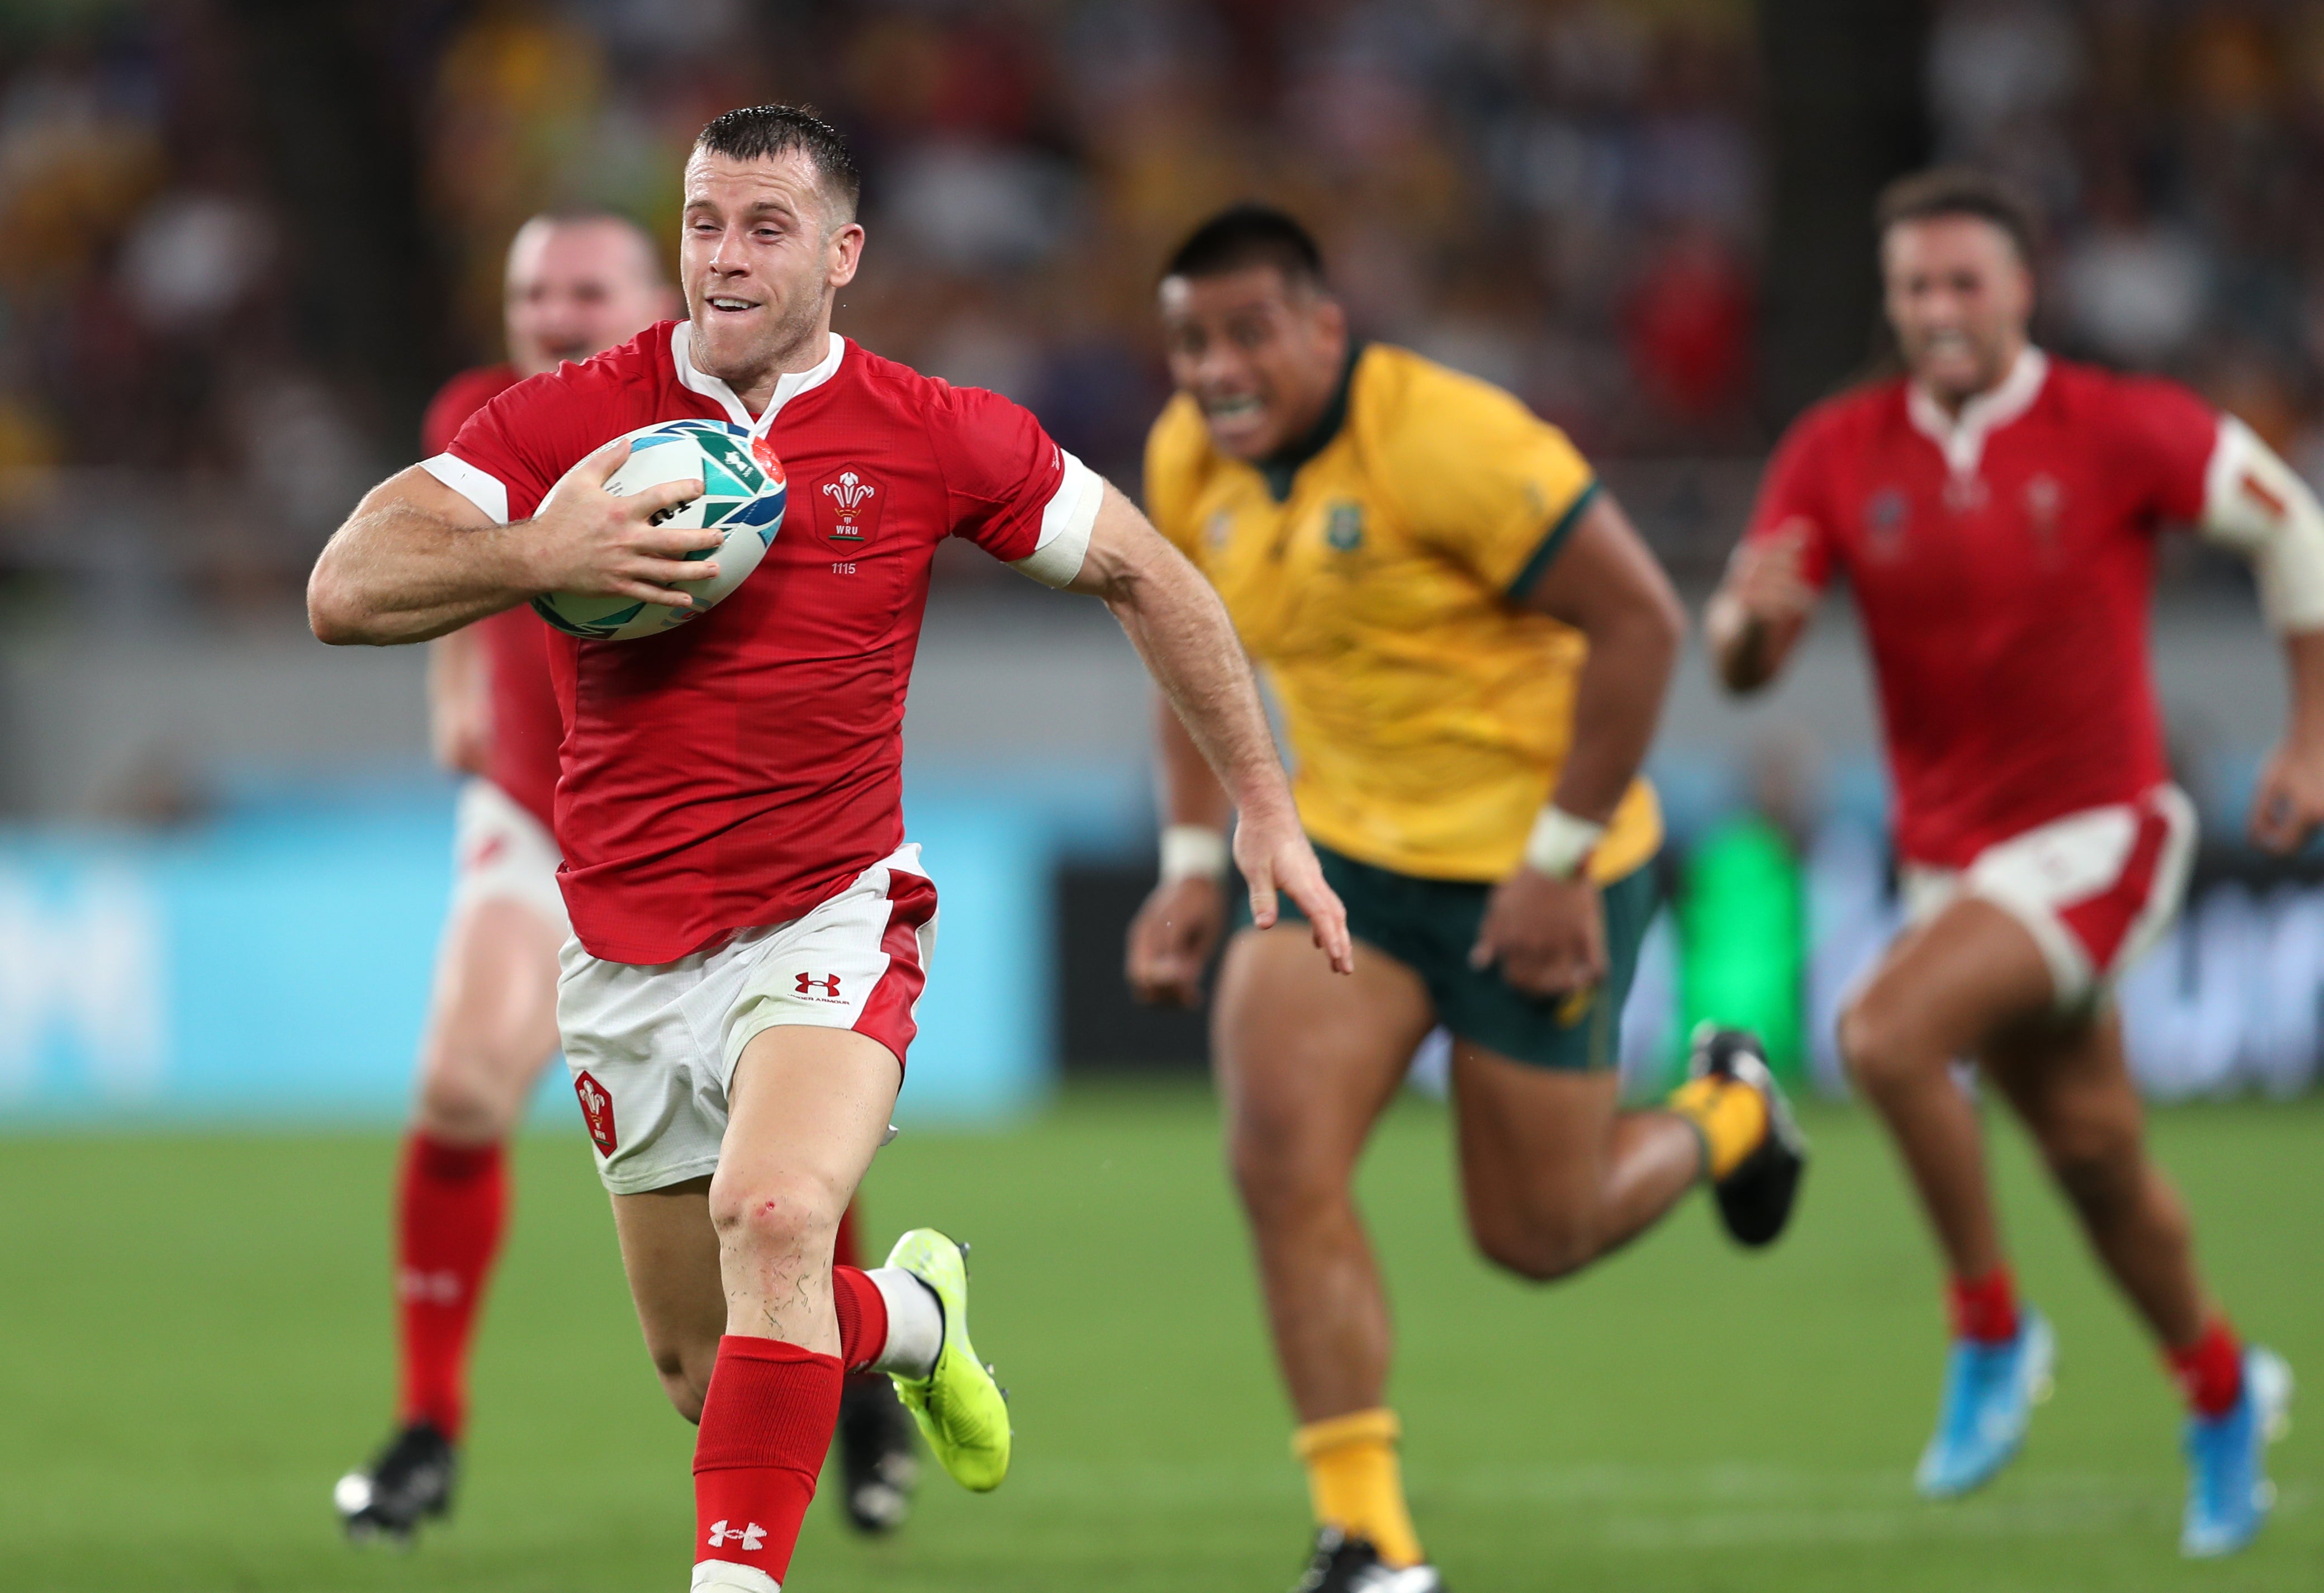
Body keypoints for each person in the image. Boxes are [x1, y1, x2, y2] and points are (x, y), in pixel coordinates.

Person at [308, 107, 1351, 1593]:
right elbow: (346, 585)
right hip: (620, 948)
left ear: (841, 253)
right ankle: (911, 1319)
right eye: (703, 224)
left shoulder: (930, 430)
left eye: (765, 228)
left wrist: (1260, 798)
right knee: (704, 1363)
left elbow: (1143, 566)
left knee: (778, 1214)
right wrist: (551, 553)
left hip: (830, 915)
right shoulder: (571, 418)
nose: (723, 259)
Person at [1126, 206, 1806, 1593]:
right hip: (1353, 865)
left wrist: (1559, 859)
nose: (1217, 370)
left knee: (1538, 1237)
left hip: (1535, 872)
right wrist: (1195, 865)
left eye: (1250, 333)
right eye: (1191, 340)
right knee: (1276, 1154)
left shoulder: (1455, 443)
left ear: (1327, 326)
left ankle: (1732, 1111)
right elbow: (1188, 657)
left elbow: (1641, 624)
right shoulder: (1187, 457)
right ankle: (1368, 1539)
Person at [1708, 167, 2319, 1558]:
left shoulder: (2114, 426)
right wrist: (1745, 629)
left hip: (2106, 834)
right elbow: (1748, 658)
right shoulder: (1838, 448)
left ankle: (1990, 1328)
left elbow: (2297, 526)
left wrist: (2312, 741)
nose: (1938, 309)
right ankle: (2225, 1395)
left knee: (1881, 1034)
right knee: (2099, 1158)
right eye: (1916, 286)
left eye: (1964, 283)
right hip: (1957, 867)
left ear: (2022, 290)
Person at [332, 208, 923, 1545]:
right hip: (538, 823)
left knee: (770, 1128)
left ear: (649, 299)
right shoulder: (490, 410)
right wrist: (449, 686)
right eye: (529, 290)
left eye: (582, 290)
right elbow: (440, 535)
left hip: (708, 837)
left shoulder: (716, 430)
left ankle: (867, 1380)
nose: (550, 313)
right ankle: (428, 1426)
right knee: (461, 1085)